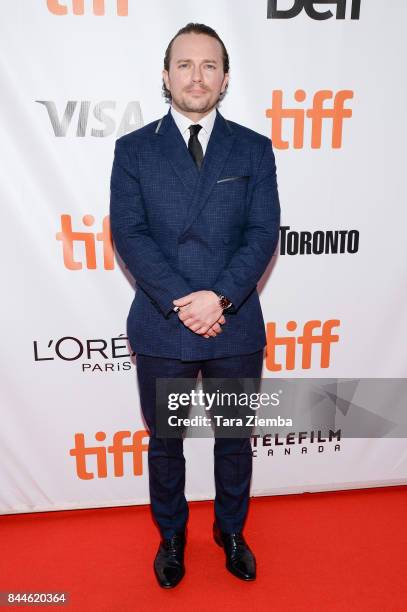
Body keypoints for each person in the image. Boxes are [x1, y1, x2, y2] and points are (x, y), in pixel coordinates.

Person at [110, 22, 280, 588]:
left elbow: (262, 233)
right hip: (164, 323)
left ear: (225, 78)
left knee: (234, 440)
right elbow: (130, 235)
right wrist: (185, 302)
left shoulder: (253, 148)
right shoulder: (133, 150)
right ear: (166, 75)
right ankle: (172, 536)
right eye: (184, 64)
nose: (197, 76)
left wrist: (221, 299)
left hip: (234, 324)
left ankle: (231, 532)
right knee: (167, 443)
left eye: (209, 65)